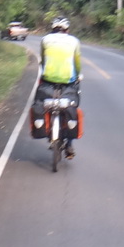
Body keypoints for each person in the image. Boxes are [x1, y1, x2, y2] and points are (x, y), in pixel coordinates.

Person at [32, 16, 82, 158]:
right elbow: (77, 62)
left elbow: (43, 60)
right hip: (68, 81)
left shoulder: (45, 40)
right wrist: (78, 75)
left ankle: (47, 128)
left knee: (43, 101)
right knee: (72, 106)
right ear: (67, 30)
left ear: (53, 29)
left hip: (48, 79)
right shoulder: (74, 41)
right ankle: (70, 144)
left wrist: (45, 72)